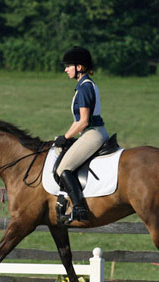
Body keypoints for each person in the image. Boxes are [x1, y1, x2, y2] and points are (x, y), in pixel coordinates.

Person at [54, 46, 109, 222]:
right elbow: (77, 121)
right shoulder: (85, 85)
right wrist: (64, 136)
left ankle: (79, 209)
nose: (65, 69)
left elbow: (83, 121)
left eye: (68, 66)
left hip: (93, 134)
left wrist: (67, 137)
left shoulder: (84, 88)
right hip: (89, 132)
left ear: (79, 67)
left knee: (63, 168)